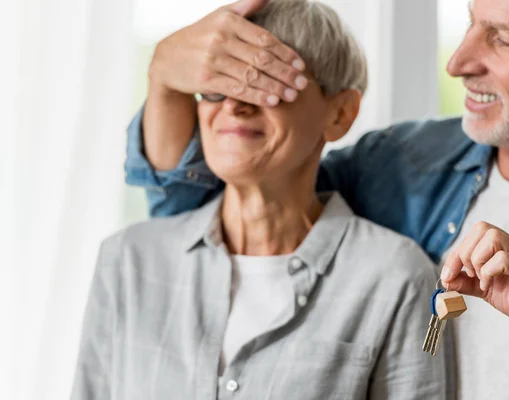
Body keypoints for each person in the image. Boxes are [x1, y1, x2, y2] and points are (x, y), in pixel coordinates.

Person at [124, 0, 509, 398]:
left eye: (503, 38)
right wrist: (166, 80)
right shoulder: (401, 165)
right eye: (471, 21)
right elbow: (198, 222)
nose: (457, 63)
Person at [71, 1, 446, 399]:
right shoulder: (127, 260)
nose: (235, 104)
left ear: (340, 113)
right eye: (217, 87)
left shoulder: (397, 279)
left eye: (266, 81)